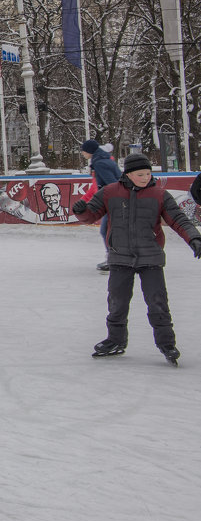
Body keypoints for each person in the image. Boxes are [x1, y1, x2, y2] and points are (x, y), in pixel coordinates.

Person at [74, 153, 201, 364]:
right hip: (120, 257)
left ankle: (166, 343)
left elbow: (179, 219)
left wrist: (194, 238)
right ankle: (115, 340)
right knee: (117, 302)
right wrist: (81, 211)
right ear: (129, 174)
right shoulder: (110, 192)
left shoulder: (159, 194)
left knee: (158, 303)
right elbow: (91, 215)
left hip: (150, 257)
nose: (145, 177)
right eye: (140, 174)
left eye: (148, 173)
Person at [81, 139, 121, 272]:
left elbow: (112, 184)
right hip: (114, 201)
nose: (82, 153)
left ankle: (114, 259)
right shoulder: (102, 160)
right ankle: (114, 257)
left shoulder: (100, 163)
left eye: (84, 150)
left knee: (106, 231)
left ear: (90, 151)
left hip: (114, 202)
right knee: (108, 230)